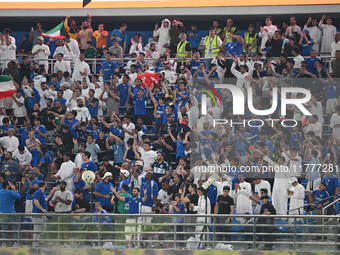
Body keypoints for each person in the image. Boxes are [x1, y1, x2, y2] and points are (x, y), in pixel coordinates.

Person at [0, 181, 21, 247]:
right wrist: (15, 190)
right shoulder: (9, 192)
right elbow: (19, 197)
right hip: (11, 213)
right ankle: (15, 242)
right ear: (7, 186)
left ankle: (4, 243)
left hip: (2, 214)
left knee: (4, 229)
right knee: (14, 228)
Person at [32, 182, 48, 247]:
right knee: (37, 229)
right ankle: (35, 245)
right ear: (44, 185)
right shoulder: (38, 192)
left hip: (42, 214)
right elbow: (36, 201)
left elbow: (45, 199)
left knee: (42, 229)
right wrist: (42, 209)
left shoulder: (42, 193)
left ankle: (40, 243)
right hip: (38, 213)